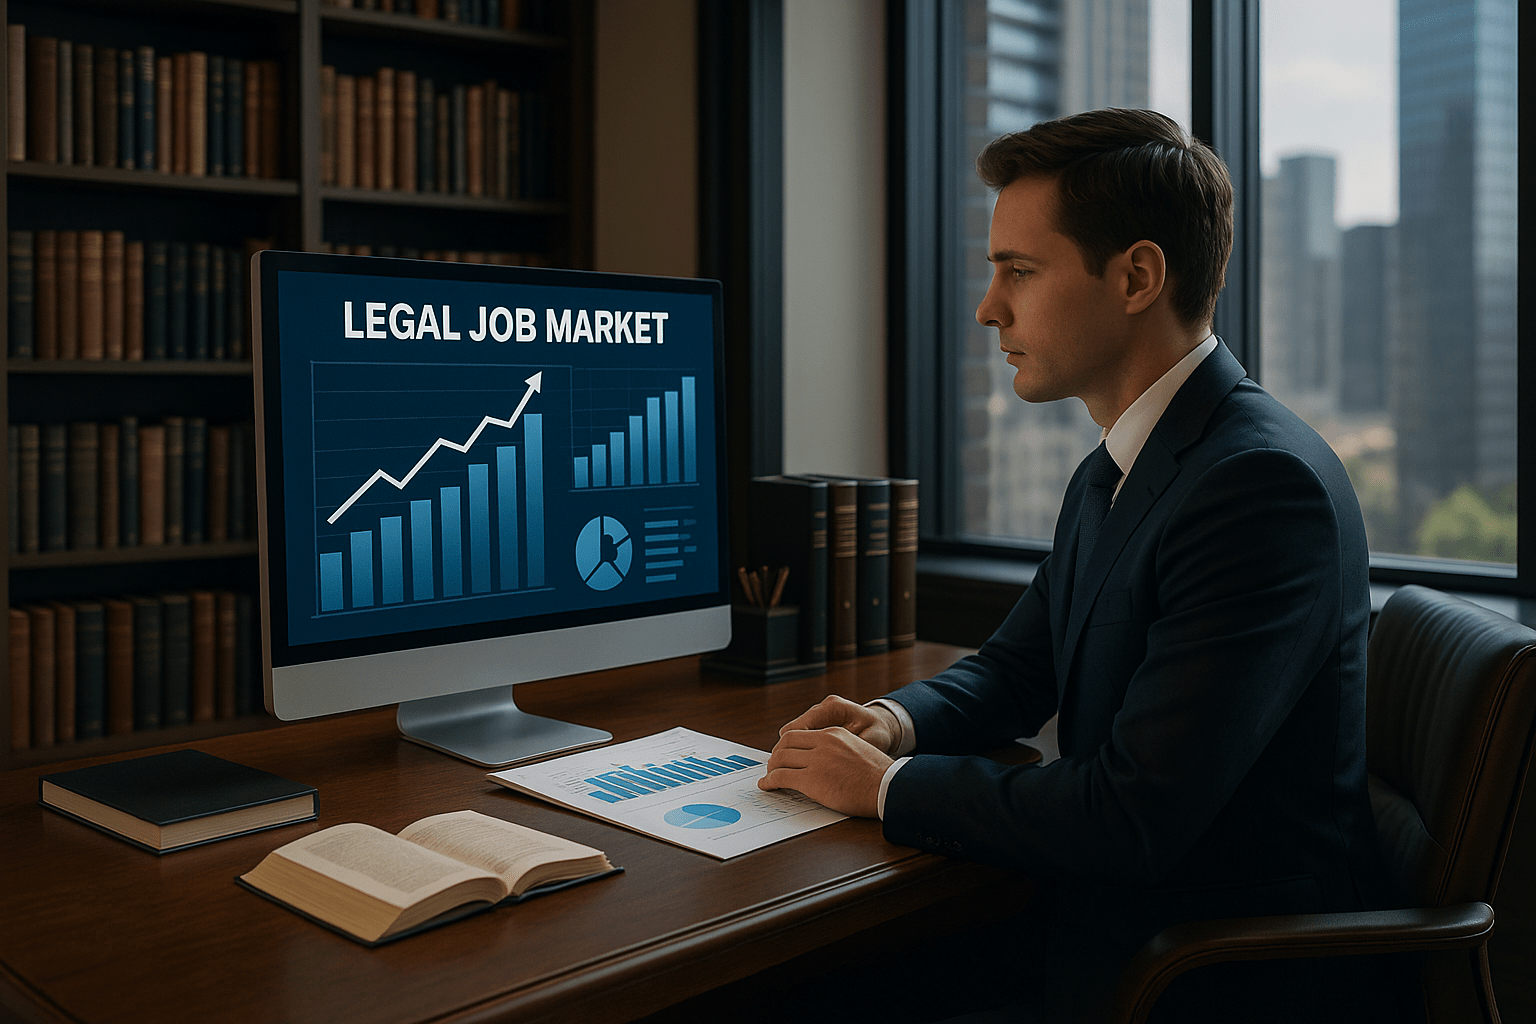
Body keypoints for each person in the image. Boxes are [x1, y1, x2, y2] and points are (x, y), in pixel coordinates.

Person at [758, 108, 1397, 1023]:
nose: (988, 307)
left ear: (1137, 276)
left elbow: (1133, 814)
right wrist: (894, 726)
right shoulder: (1121, 465)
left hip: (1205, 978)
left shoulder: (1258, 485)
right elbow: (1021, 668)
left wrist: (887, 790)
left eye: (1019, 270)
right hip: (1113, 927)